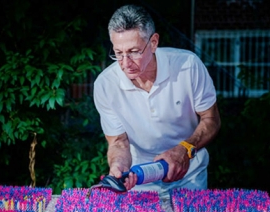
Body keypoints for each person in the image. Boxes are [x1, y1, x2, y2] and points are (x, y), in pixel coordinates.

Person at [93, 4, 221, 197]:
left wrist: (185, 149)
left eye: (134, 51)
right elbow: (118, 141)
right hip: (139, 180)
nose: (125, 64)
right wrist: (118, 165)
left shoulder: (188, 66)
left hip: (190, 177)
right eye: (118, 53)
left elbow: (211, 120)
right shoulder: (105, 84)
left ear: (153, 42)